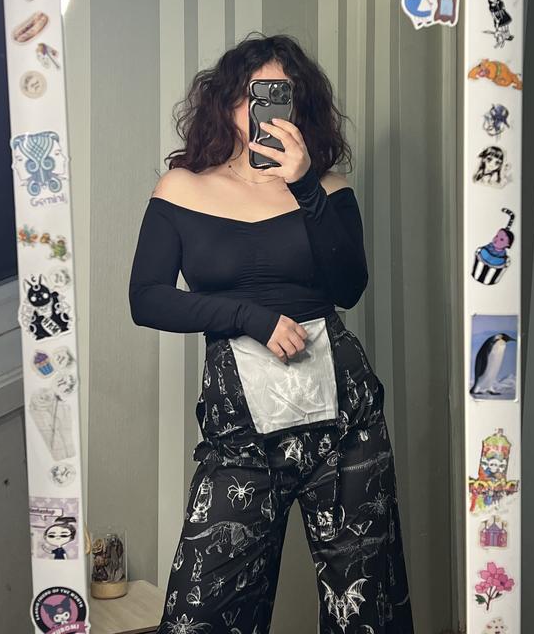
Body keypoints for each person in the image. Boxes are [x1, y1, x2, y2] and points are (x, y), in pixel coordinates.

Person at [128, 33, 414, 633]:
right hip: (239, 429)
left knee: (366, 609)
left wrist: (305, 184)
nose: (266, 107)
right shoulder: (183, 188)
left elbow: (349, 287)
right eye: (256, 93)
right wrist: (248, 318)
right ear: (228, 100)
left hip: (346, 422)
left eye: (284, 94)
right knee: (204, 614)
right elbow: (146, 298)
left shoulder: (329, 188)